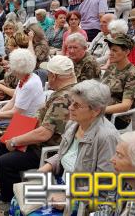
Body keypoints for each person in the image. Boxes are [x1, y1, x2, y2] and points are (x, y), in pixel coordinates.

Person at [15, 80, 118, 215]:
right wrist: (45, 168)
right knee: (18, 201)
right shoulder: (74, 124)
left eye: (77, 105)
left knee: (31, 212)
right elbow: (65, 154)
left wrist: (68, 197)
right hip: (63, 183)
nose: (70, 108)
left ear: (96, 111)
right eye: (71, 102)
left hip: (85, 199)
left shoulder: (106, 137)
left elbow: (105, 181)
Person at [0, 56, 76, 206]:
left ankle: (10, 201)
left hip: (47, 148)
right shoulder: (65, 91)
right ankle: (11, 188)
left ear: (54, 76)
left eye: (48, 73)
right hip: (41, 138)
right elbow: (41, 117)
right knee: (2, 145)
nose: (47, 76)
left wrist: (15, 140)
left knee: (4, 163)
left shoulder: (63, 99)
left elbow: (45, 134)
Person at [0, 49, 44, 176]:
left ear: (17, 69)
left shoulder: (29, 84)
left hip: (26, 124)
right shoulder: (28, 77)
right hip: (20, 119)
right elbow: (13, 101)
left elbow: (15, 112)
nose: (10, 67)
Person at [101, 34, 135, 129]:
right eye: (111, 49)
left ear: (126, 52)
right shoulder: (112, 66)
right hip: (103, 106)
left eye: (115, 50)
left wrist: (99, 110)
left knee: (82, 120)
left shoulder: (132, 75)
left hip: (118, 117)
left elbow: (125, 106)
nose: (110, 53)